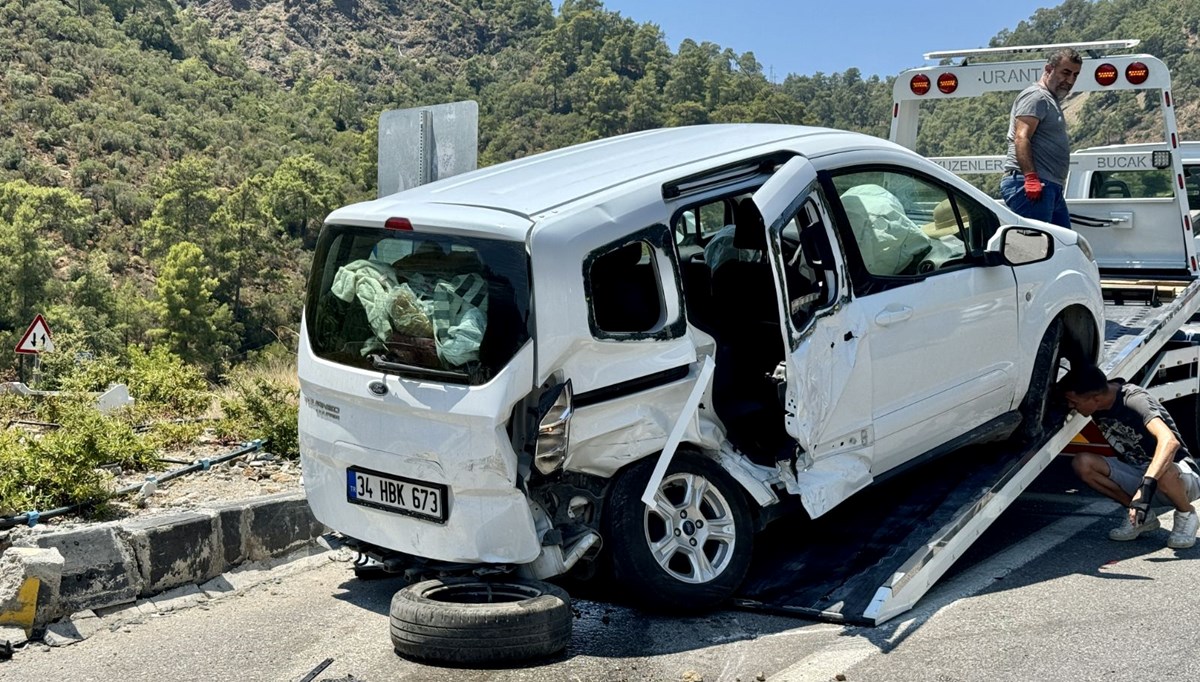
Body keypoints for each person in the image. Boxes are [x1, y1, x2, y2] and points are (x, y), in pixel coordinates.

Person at [1060, 364, 1200, 548]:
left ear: (1095, 398)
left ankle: (1186, 514)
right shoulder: (1098, 399)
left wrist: (1145, 488)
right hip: (1138, 472)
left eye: (1074, 401)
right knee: (1083, 463)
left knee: (1163, 469)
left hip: (1179, 476)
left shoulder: (1134, 400)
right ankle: (1142, 516)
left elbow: (1169, 442)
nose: (1071, 406)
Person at [999, 47, 1083, 229]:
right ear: (1048, 69)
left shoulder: (1050, 100)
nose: (1069, 80)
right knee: (1037, 251)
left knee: (1062, 247)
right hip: (1031, 186)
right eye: (1065, 73)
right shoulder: (1036, 96)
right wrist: (1030, 178)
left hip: (1049, 187)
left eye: (1075, 75)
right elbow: (1021, 137)